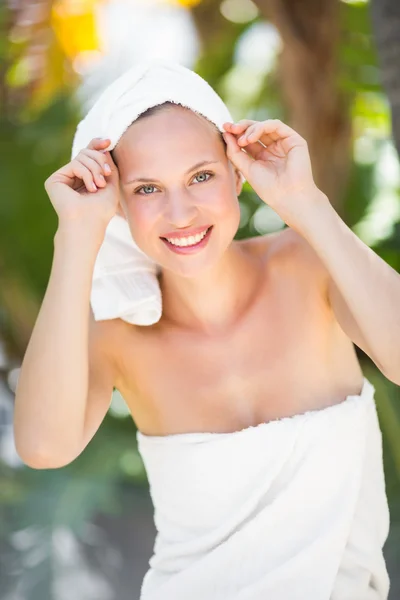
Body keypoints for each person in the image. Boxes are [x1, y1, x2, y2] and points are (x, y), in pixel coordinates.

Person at [13, 63, 397, 599]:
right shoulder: (119, 333)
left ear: (237, 171)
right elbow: (44, 447)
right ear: (117, 204)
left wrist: (304, 201)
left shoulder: (308, 264)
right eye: (147, 188)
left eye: (200, 176)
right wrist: (76, 236)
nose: (181, 212)